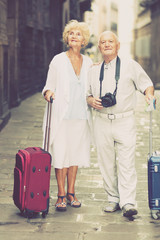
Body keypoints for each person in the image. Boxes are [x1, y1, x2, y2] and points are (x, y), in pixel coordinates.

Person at [87, 31, 155, 218]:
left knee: (126, 162)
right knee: (106, 163)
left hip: (124, 120)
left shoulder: (130, 65)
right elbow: (87, 93)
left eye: (111, 41)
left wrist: (149, 94)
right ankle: (113, 198)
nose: (107, 44)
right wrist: (90, 100)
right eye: (103, 42)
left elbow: (147, 84)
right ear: (99, 47)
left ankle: (128, 202)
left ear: (118, 46)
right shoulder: (93, 70)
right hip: (101, 121)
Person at [42, 20, 93, 211]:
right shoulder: (58, 60)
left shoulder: (88, 62)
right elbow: (48, 86)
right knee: (61, 154)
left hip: (81, 116)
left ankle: (72, 193)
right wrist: (49, 94)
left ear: (84, 40)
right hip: (61, 116)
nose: (73, 36)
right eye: (70, 33)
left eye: (78, 34)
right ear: (66, 38)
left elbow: (91, 88)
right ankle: (61, 195)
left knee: (75, 155)